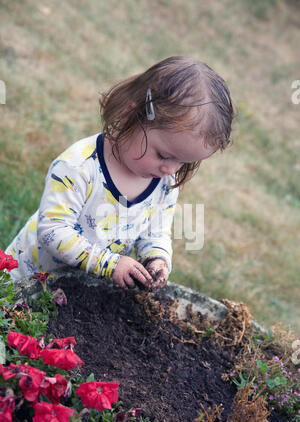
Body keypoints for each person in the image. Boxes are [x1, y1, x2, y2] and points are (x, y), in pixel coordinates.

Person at [5, 56, 234, 291]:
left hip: (81, 292)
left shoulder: (163, 181)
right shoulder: (79, 167)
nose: (171, 169)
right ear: (130, 116)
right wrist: (109, 264)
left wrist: (158, 258)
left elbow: (156, 230)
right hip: (28, 282)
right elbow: (53, 231)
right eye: (164, 155)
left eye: (184, 163)